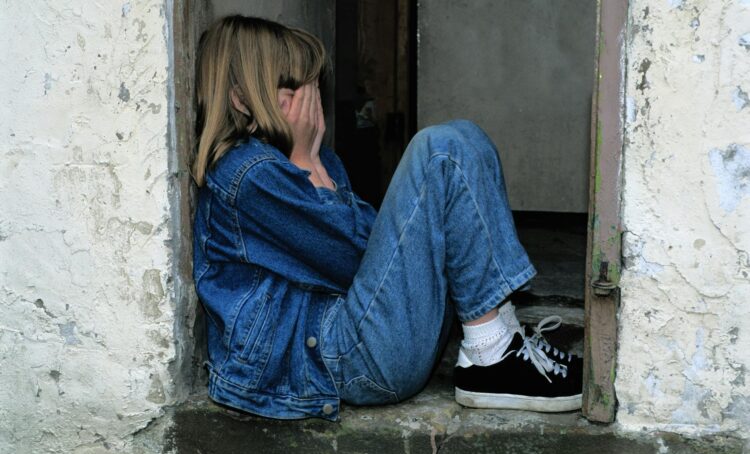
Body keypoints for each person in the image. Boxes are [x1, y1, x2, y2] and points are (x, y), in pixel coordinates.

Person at [191, 15, 582, 421]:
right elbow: (357, 258)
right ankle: (491, 357)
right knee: (440, 150)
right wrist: (309, 164)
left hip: (357, 339)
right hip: (339, 360)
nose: (310, 106)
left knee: (465, 137)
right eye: (292, 91)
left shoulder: (304, 160)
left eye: (311, 89)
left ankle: (498, 339)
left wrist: (316, 165)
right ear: (240, 99)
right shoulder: (249, 175)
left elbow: (375, 253)